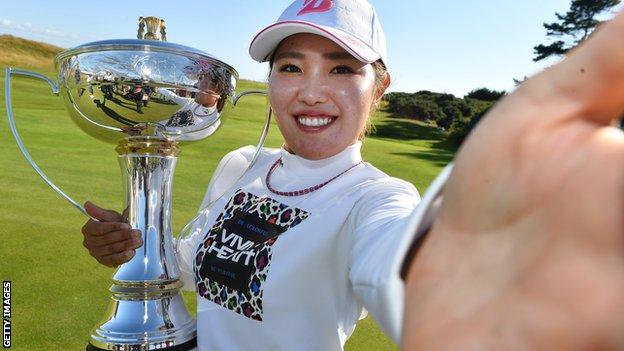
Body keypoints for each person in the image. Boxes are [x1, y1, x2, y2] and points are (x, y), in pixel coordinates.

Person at [81, 0, 624, 350]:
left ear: (379, 87)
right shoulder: (242, 165)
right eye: (290, 67)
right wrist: (138, 246)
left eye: (342, 68)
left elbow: (391, 261)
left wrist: (451, 284)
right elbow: (194, 269)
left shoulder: (377, 199)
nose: (311, 92)